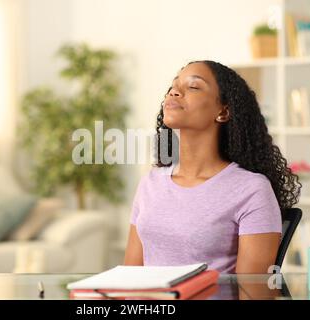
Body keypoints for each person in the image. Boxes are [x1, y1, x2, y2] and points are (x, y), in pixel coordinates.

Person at [124, 60, 301, 273]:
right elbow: (130, 278)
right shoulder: (151, 182)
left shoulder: (251, 189)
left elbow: (254, 293)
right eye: (173, 86)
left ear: (223, 112)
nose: (174, 92)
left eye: (193, 87)